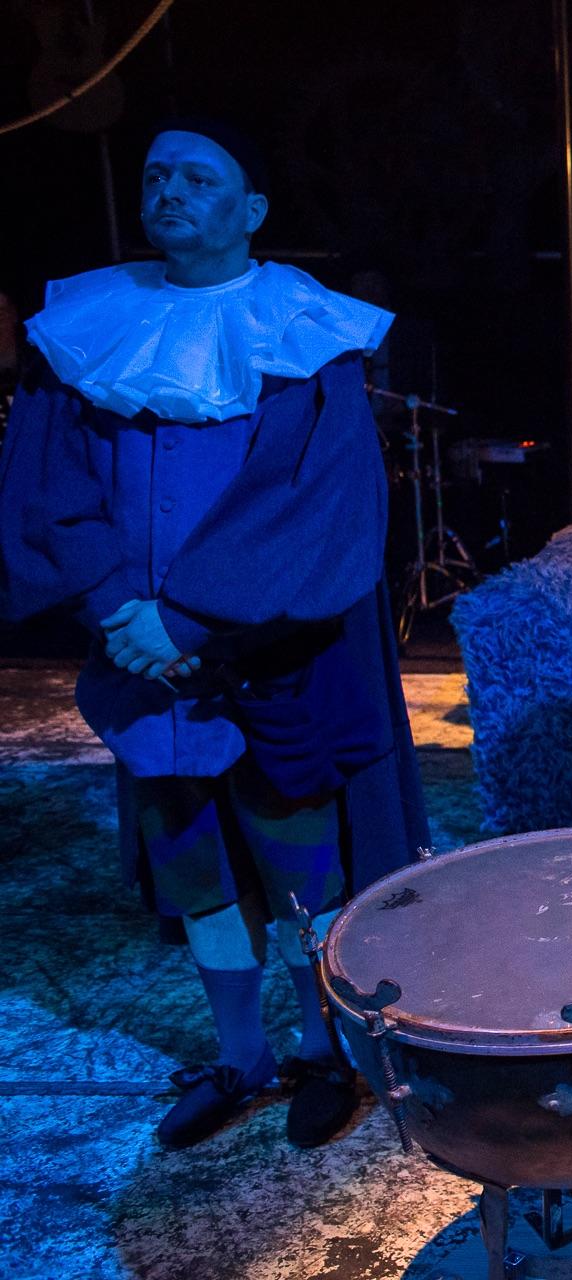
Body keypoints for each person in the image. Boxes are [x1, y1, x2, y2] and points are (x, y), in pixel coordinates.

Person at [0, 119, 428, 1149]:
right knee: (196, 873)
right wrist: (119, 607)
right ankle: (242, 1059)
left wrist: (188, 617)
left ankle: (323, 1051)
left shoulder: (302, 334)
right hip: (143, 666)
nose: (171, 192)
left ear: (252, 209)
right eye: (158, 177)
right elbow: (48, 484)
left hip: (268, 658)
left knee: (302, 874)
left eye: (199, 178)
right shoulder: (88, 330)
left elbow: (315, 502)